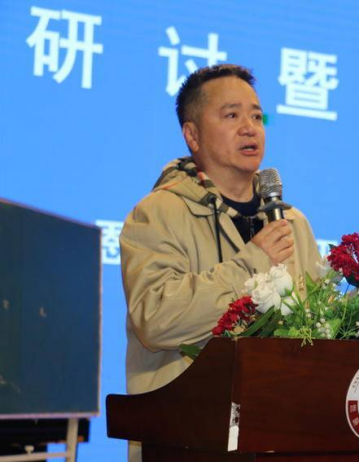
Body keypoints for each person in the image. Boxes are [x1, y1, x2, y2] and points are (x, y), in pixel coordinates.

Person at [119, 64, 322, 461]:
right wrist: (252, 264)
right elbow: (156, 319)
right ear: (192, 135)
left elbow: (318, 329)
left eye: (256, 116)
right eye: (231, 115)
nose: (250, 128)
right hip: (185, 439)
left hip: (280, 435)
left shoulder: (290, 222)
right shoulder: (157, 214)